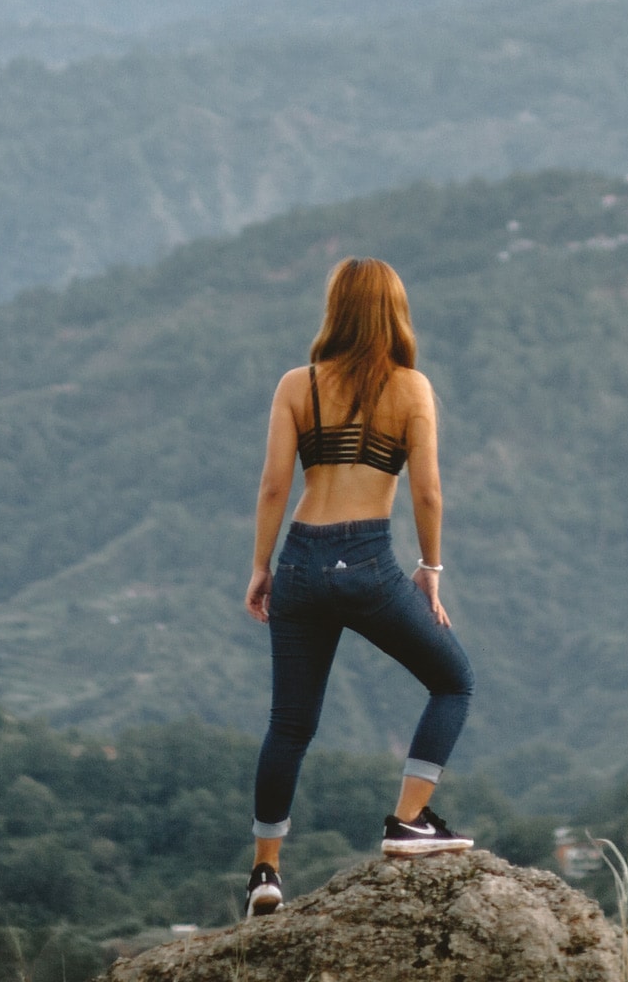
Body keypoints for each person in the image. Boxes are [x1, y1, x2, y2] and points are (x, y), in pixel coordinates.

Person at [242, 256, 475, 918]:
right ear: (394, 312)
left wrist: (262, 568)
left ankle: (265, 871)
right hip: (368, 562)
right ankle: (408, 822)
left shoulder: (297, 385)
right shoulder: (411, 389)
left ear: (335, 310)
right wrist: (430, 570)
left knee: (289, 725)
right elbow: (427, 490)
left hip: (300, 560)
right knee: (453, 680)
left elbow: (272, 486)